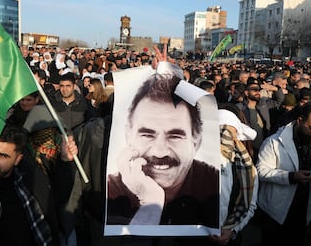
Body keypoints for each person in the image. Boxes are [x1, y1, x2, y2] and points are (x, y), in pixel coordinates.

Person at [107, 73, 219, 227]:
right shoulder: (111, 192)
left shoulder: (214, 183)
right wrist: (150, 202)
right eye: (147, 134)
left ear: (196, 142)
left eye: (175, 136)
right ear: (128, 136)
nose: (160, 152)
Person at [0, 124, 78, 245]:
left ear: (17, 159)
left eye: (2, 156)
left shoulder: (28, 177)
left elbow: (56, 198)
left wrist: (65, 160)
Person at [256, 103, 311, 246]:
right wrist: (291, 177)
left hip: (303, 212)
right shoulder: (274, 142)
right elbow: (261, 170)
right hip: (275, 213)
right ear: (300, 121)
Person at [209, 109, 258, 245]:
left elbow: (250, 205)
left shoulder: (247, 167)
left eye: (229, 132)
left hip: (229, 236)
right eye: (220, 131)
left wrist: (233, 229)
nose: (225, 136)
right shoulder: (194, 160)